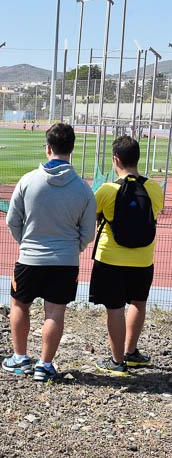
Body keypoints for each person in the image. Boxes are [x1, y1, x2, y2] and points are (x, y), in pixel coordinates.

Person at [4, 123, 96, 381]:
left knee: (20, 304)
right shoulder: (83, 188)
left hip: (29, 258)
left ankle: (20, 358)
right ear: (72, 149)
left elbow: (12, 220)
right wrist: (71, 248)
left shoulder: (28, 180)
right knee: (55, 312)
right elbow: (88, 232)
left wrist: (26, 243)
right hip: (65, 261)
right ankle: (45, 365)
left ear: (48, 148)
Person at [90, 136, 163, 375]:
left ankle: (117, 360)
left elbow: (94, 216)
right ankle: (132, 353)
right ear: (138, 158)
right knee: (138, 304)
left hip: (110, 259)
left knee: (115, 309)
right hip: (143, 259)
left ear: (115, 160)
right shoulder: (153, 189)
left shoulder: (107, 190)